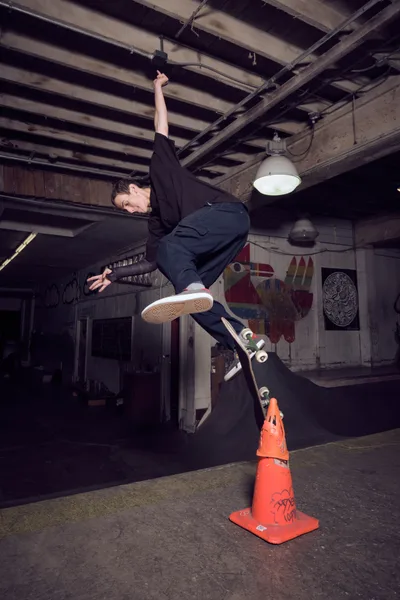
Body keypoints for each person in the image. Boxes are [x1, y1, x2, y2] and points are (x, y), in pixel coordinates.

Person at [88, 71, 265, 381]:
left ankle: (194, 287)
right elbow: (151, 261)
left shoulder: (160, 168)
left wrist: (157, 87)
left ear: (132, 189)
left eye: (127, 204)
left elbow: (161, 124)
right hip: (225, 238)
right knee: (192, 301)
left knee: (173, 249)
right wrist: (113, 274)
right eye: (126, 211)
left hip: (228, 214)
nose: (131, 211)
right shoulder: (157, 222)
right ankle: (240, 343)